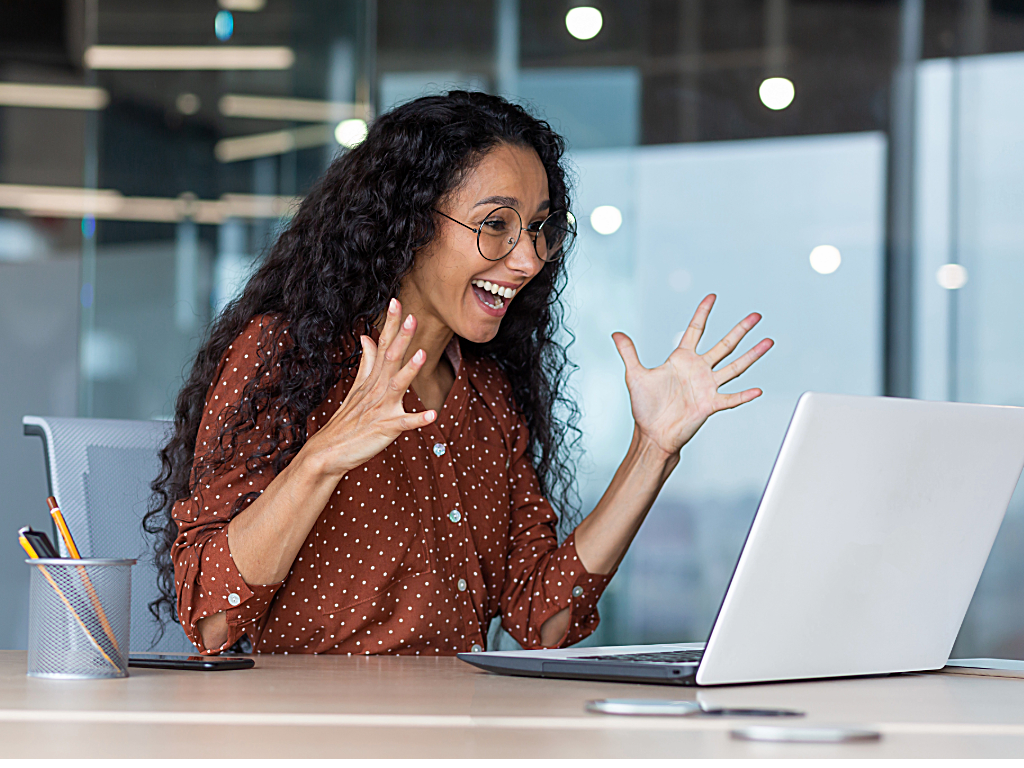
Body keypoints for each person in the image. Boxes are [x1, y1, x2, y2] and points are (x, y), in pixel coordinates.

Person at [145, 90, 772, 655]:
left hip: (456, 731)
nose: (526, 259)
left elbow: (542, 619)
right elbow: (210, 621)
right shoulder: (286, 355)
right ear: (410, 220)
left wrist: (652, 450)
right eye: (494, 225)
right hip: (311, 732)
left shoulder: (489, 395)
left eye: (537, 230)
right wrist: (324, 453)